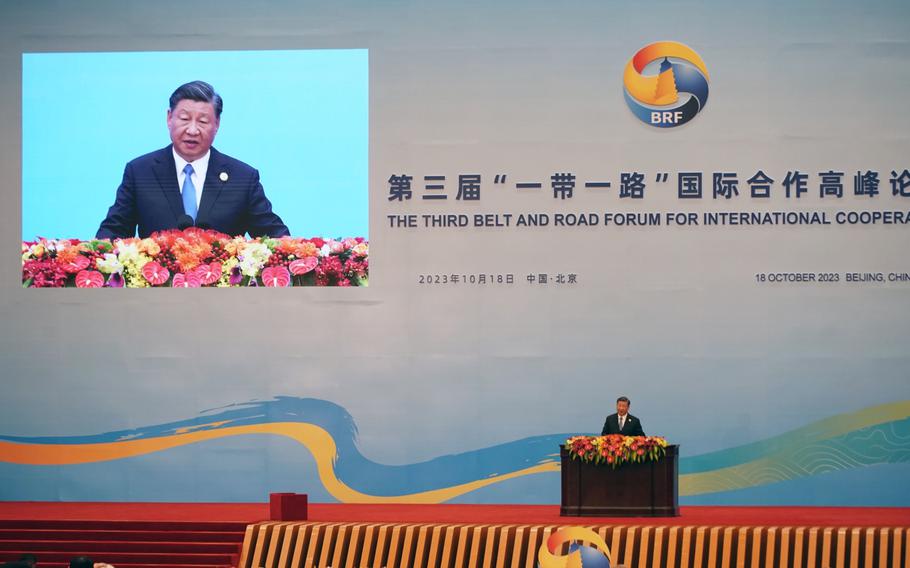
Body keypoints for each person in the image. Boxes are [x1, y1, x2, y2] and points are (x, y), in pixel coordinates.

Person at [96, 81, 290, 239]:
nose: (192, 130)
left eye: (203, 121)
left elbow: (274, 236)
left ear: (217, 124)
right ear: (169, 118)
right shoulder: (140, 172)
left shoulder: (242, 177)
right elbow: (114, 232)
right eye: (184, 118)